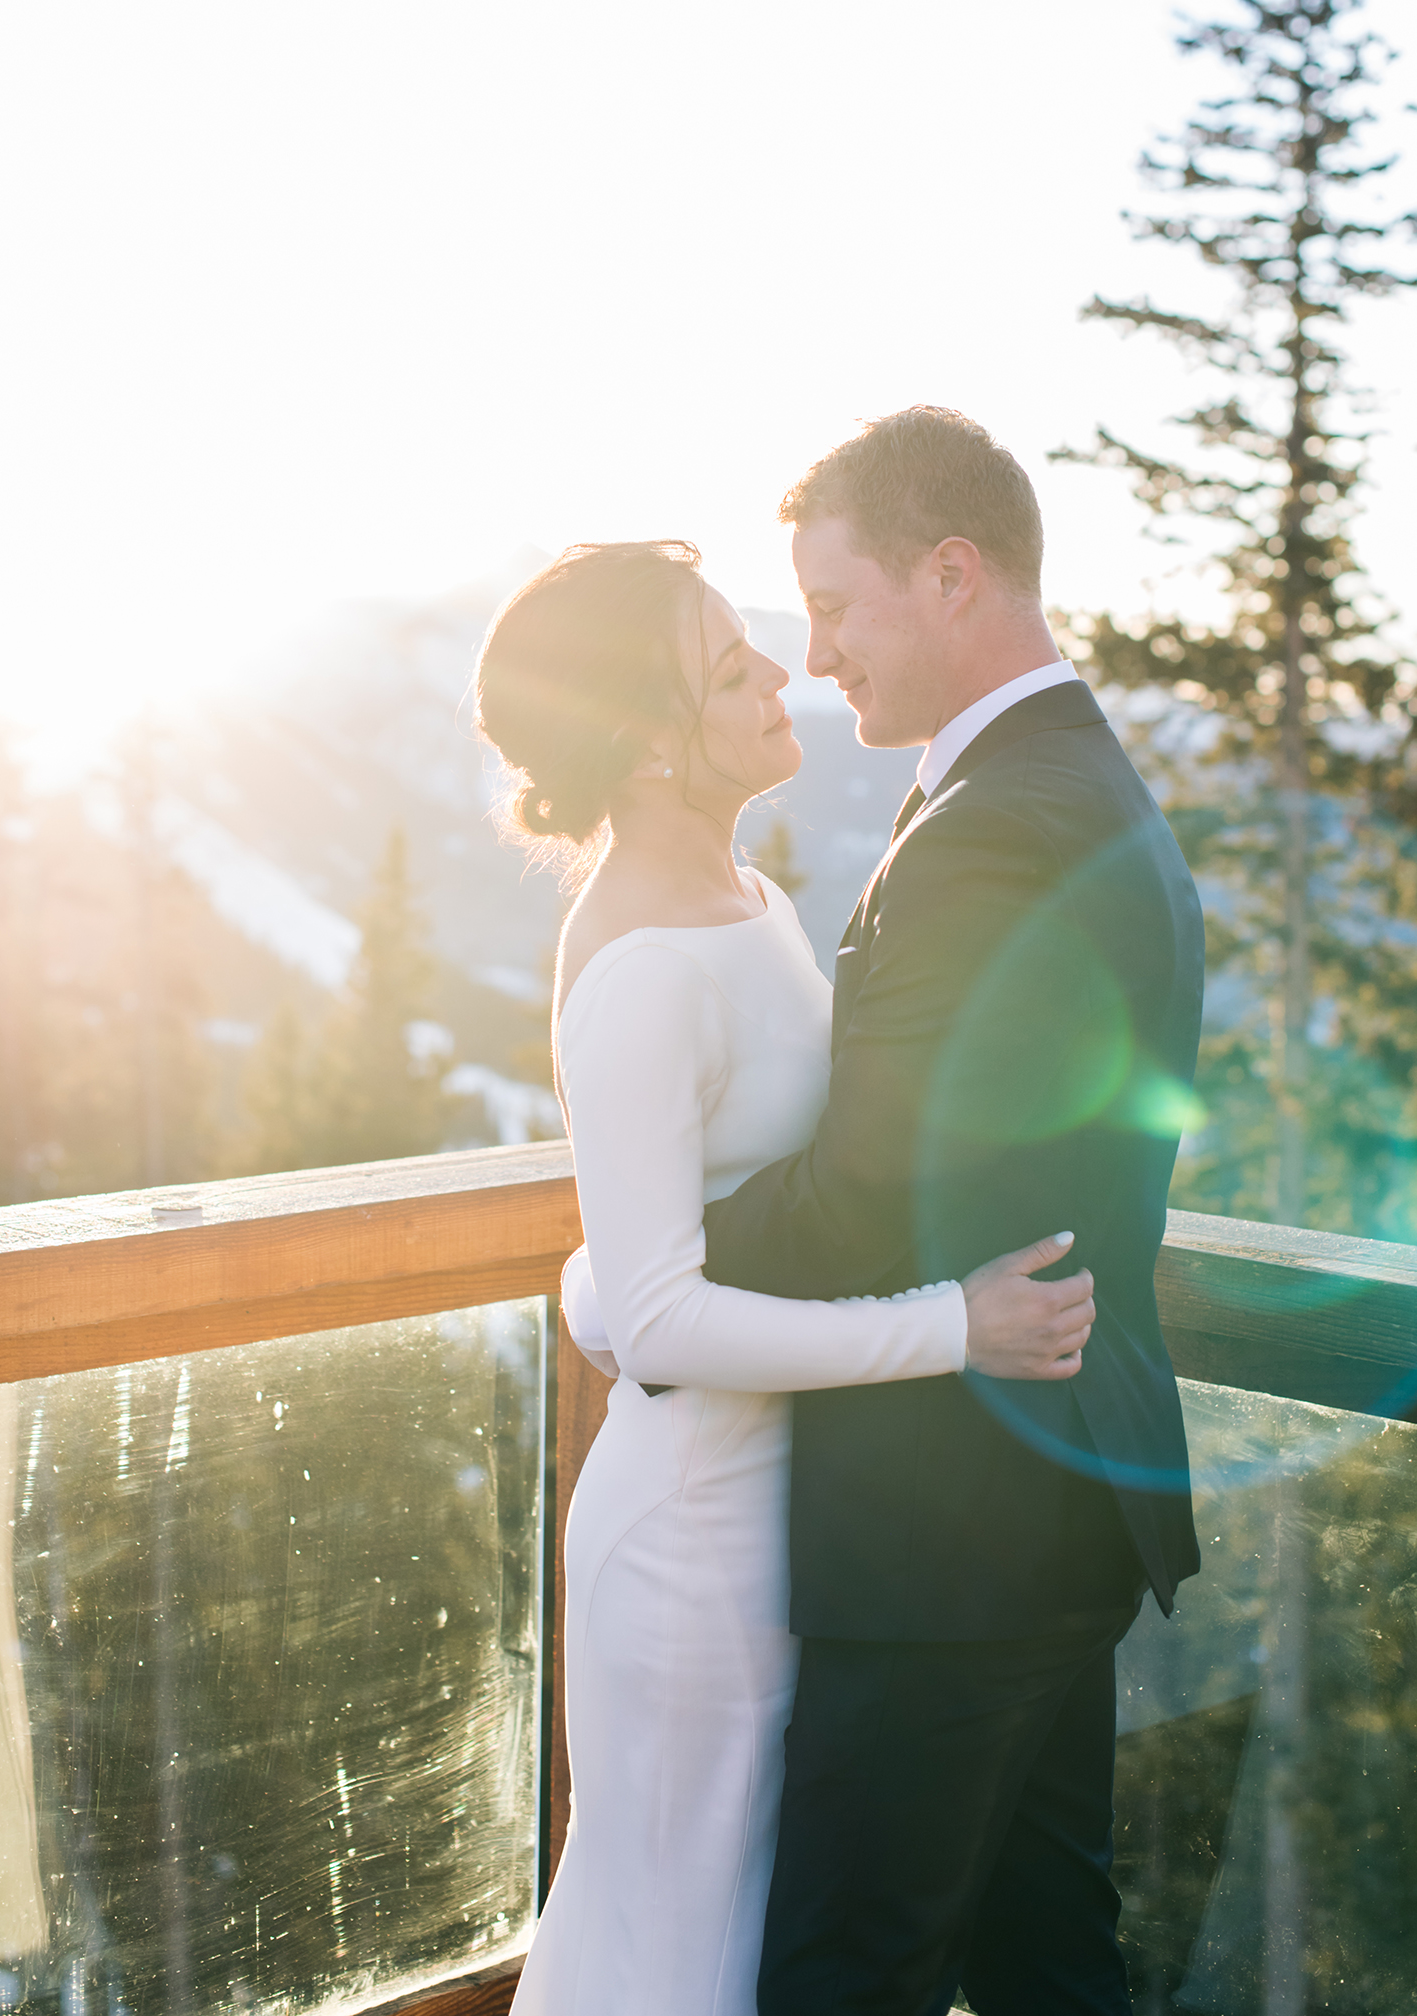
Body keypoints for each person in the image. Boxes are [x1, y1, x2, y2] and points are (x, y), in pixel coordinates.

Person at [474, 536, 1097, 2016]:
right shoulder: (635, 967)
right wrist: (957, 1326)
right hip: (690, 1540)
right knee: (678, 1948)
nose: (780, 672)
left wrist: (599, 1286)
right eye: (727, 664)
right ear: (638, 743)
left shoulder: (739, 897)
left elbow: (667, 1250)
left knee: (751, 1941)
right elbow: (670, 1320)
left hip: (784, 1509)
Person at [696, 407, 1206, 2014]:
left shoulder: (995, 824)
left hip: (953, 1534)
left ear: (953, 572)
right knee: (1050, 1966)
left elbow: (869, 1190)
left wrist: (651, 1268)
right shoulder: (1066, 781)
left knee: (849, 1978)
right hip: (1046, 1503)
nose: (818, 648)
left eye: (837, 606)